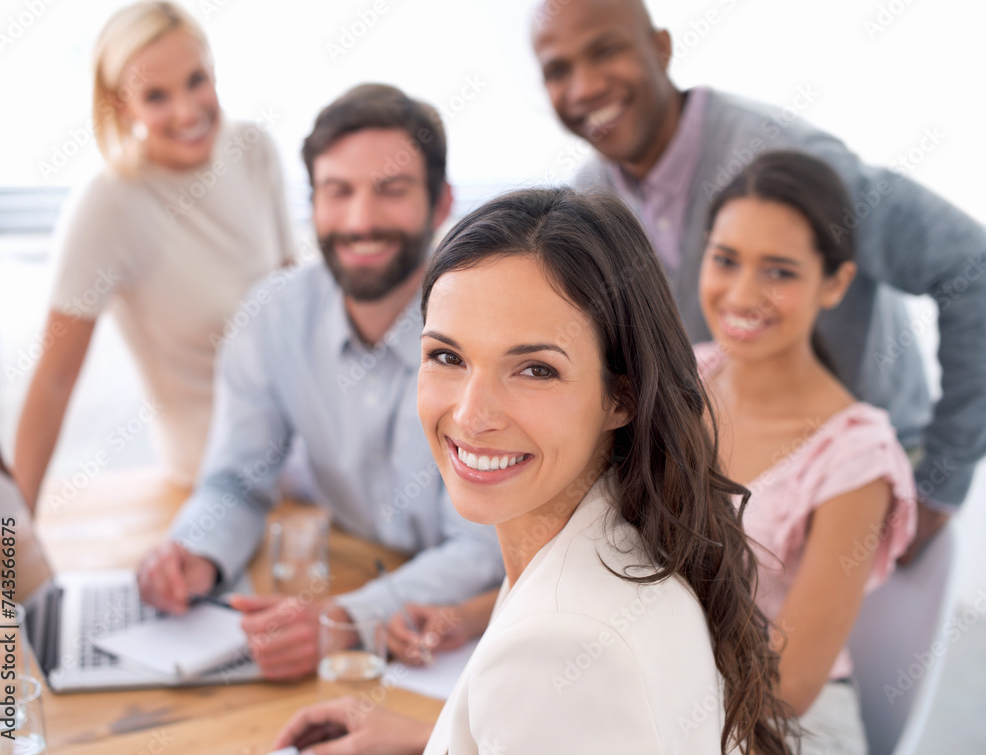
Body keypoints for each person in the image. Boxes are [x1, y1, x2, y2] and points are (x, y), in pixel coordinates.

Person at [274, 187, 794, 754]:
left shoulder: (560, 643)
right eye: (447, 356)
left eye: (535, 370)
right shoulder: (614, 543)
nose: (471, 416)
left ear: (622, 397)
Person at [531, 0, 986, 559]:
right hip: (725, 496)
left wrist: (941, 483)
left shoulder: (787, 160)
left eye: (606, 50)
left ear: (661, 48)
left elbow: (973, 266)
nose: (583, 87)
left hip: (853, 486)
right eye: (557, 70)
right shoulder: (590, 201)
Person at [136, 83, 504, 681]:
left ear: (441, 206)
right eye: (339, 192)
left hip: (455, 636)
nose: (361, 220)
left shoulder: (484, 333)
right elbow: (236, 480)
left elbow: (483, 548)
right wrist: (194, 551)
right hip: (353, 570)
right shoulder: (272, 316)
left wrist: (345, 619)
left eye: (391, 191)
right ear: (314, 205)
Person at [13, 1, 294, 506]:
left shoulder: (254, 150)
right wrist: (9, 532)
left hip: (302, 465)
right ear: (121, 105)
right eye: (156, 95)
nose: (187, 111)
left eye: (196, 80)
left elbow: (298, 313)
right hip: (207, 487)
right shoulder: (109, 204)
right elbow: (53, 380)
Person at [696, 151, 916, 752]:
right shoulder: (678, 381)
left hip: (773, 725)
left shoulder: (856, 456)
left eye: (780, 272)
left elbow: (788, 689)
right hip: (648, 688)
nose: (743, 294)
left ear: (836, 283)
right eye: (726, 260)